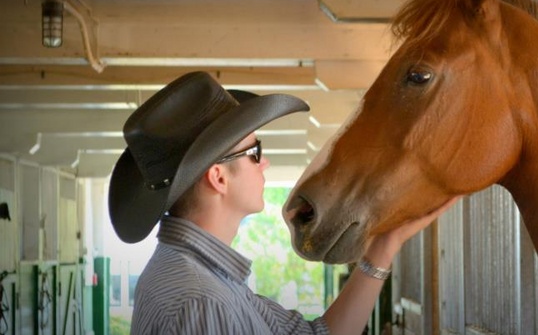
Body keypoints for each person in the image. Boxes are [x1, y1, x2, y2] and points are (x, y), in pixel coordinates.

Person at [108, 71, 459, 335]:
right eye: (254, 153)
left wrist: (383, 247)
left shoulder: (205, 278)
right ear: (218, 177)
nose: (265, 163)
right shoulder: (202, 301)